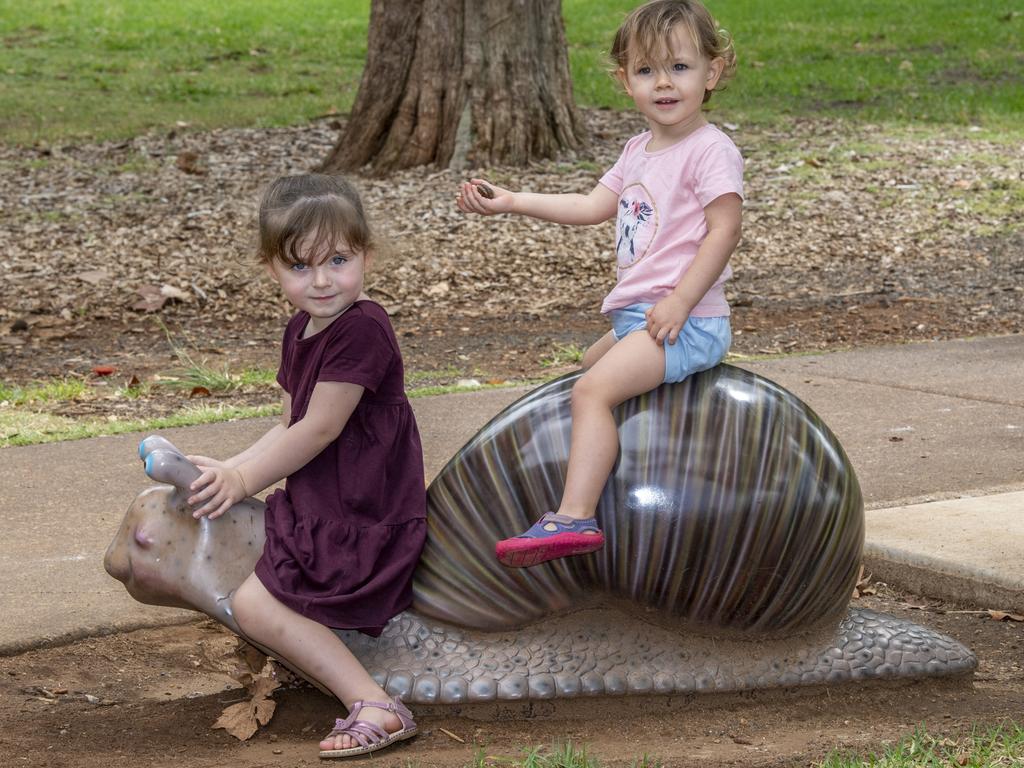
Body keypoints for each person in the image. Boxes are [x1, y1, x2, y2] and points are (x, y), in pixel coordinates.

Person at [456, 0, 742, 569]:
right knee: (588, 369)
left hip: (688, 322)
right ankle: (604, 476)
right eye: (646, 71)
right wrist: (513, 202)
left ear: (712, 73)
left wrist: (681, 301)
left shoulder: (711, 150)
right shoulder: (638, 149)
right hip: (641, 318)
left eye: (680, 68)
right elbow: (592, 206)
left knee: (593, 392)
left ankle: (574, 517)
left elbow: (724, 230)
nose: (664, 83)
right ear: (624, 81)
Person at [186, 173, 426, 759]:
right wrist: (231, 468)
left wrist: (246, 479)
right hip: (327, 496)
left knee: (252, 603)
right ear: (273, 269)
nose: (321, 281)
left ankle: (374, 704)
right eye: (300, 266)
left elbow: (321, 427)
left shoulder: (363, 328)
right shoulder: (303, 327)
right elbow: (288, 423)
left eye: (338, 260)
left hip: (362, 510)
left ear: (366, 255)